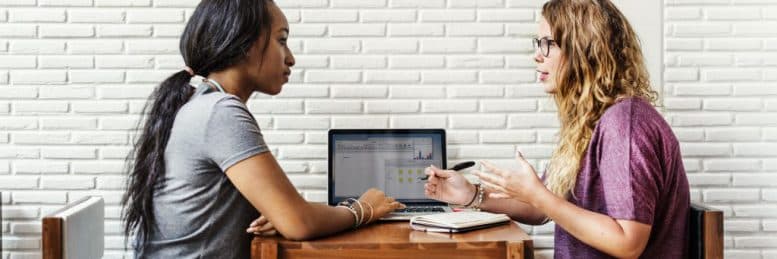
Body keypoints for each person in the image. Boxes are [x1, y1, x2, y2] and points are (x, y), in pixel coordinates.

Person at [120, 0, 403, 258]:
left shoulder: (199, 105)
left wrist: (276, 212)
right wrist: (363, 209)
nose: (290, 58)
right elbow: (299, 223)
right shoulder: (220, 112)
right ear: (246, 44)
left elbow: (288, 216)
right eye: (281, 40)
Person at [423, 0, 690, 258]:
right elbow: (542, 209)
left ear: (584, 49)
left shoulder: (624, 125)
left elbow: (627, 242)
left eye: (548, 44)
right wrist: (471, 195)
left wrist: (537, 195)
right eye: (538, 43)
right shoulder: (592, 122)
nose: (537, 55)